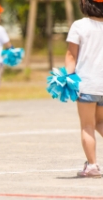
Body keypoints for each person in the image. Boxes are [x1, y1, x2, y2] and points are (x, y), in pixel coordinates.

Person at [65, 0, 103, 178]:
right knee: (100, 122)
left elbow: (71, 55)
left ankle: (93, 166)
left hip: (87, 84)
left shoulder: (79, 25)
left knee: (88, 125)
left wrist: (68, 78)